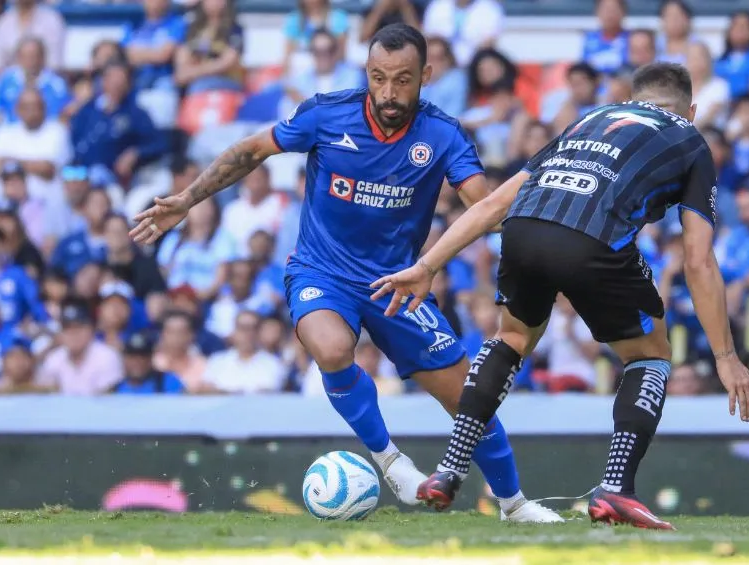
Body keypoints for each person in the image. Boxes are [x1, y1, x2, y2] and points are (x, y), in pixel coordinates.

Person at [130, 23, 558, 523]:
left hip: (397, 283)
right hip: (322, 271)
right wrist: (187, 198)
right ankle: (389, 461)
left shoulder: (443, 134)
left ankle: (513, 505)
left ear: (426, 76)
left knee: (469, 401)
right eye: (378, 77)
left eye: (402, 80)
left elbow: (484, 210)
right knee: (332, 349)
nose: (389, 92)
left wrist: (534, 196)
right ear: (367, 73)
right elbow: (250, 150)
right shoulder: (326, 114)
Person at [371, 62, 749, 529]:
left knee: (512, 337)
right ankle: (616, 487)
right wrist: (725, 355)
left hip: (523, 229)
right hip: (593, 241)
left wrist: (426, 266)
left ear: (631, 97)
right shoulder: (689, 138)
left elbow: (494, 205)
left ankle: (449, 468)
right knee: (650, 354)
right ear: (691, 111)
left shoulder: (591, 118)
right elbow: (698, 260)